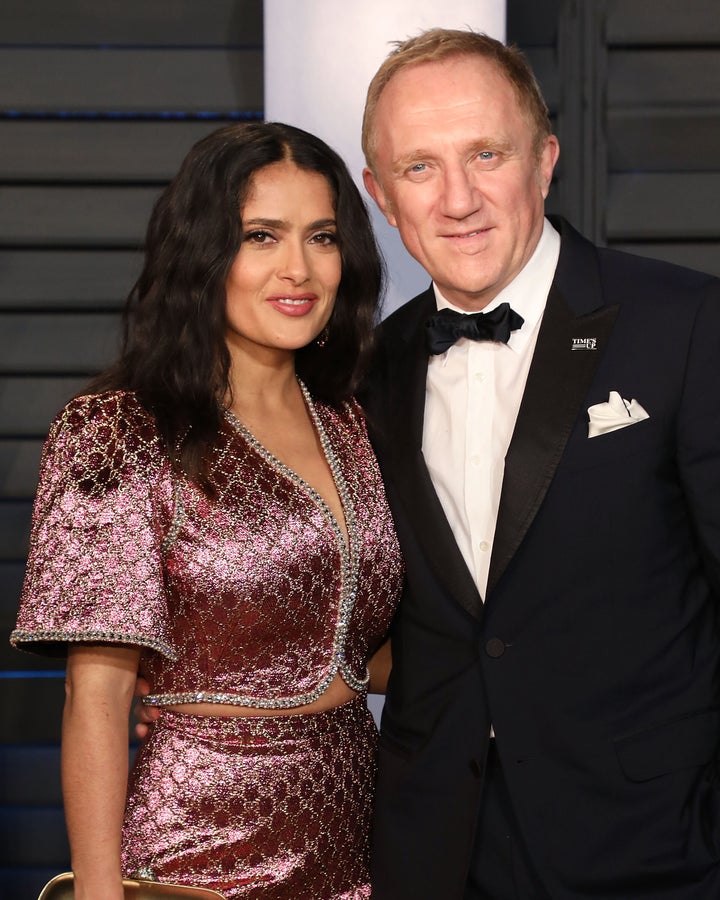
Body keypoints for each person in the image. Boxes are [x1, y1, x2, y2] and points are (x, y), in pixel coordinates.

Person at [358, 27, 720, 899]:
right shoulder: (365, 371)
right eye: (419, 169)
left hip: (654, 851)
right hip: (431, 854)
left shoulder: (687, 325)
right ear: (380, 194)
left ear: (546, 159)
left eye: (487, 153)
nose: (457, 199)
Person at [11, 122, 403, 900]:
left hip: (360, 834)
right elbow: (96, 694)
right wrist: (98, 893)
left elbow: (359, 642)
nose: (299, 268)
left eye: (321, 237)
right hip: (198, 847)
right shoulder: (120, 431)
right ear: (203, 255)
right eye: (261, 236)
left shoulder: (354, 421)